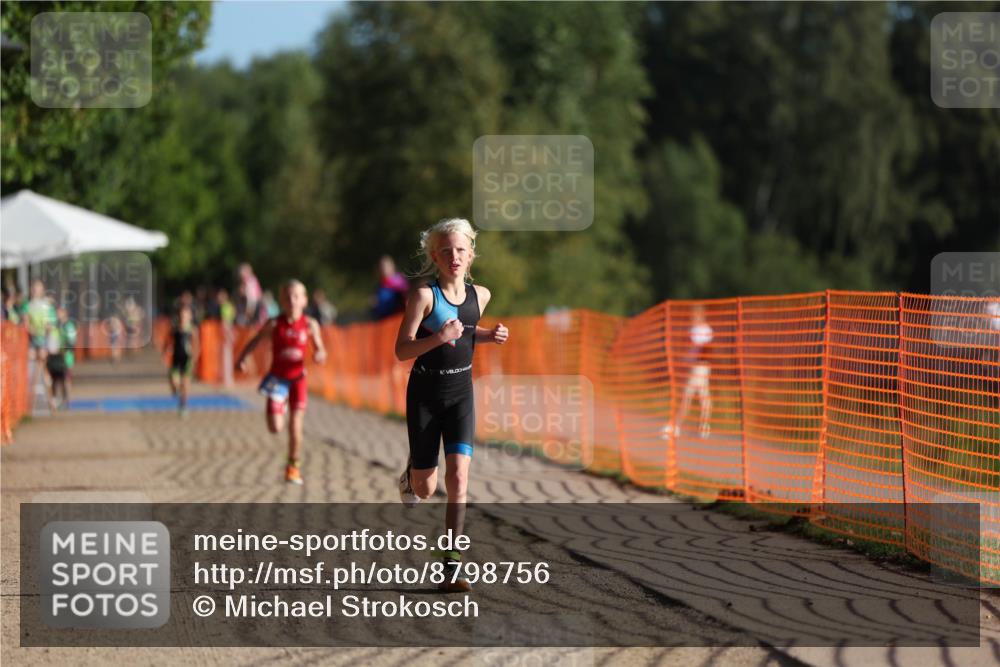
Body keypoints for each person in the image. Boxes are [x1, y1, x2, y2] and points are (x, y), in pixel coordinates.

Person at [393, 218, 508, 593]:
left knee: (458, 478)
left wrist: (491, 336)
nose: (454, 257)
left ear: (471, 254)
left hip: (461, 395)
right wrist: (439, 337)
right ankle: (411, 473)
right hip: (425, 396)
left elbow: (468, 335)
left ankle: (451, 565)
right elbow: (401, 349)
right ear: (434, 257)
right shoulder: (424, 297)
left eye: (460, 250)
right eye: (446, 251)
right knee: (424, 490)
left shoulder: (482, 296)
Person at [235, 280, 327, 485]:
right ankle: (279, 403)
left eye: (296, 296)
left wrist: (320, 353)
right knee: (275, 427)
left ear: (304, 300)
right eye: (287, 297)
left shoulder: (310, 324)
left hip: (297, 380)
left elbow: (320, 347)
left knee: (295, 427)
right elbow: (256, 340)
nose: (291, 301)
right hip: (277, 381)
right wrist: (242, 357)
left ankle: (293, 467)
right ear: (281, 301)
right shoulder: (275, 323)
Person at [663, 305, 714, 440]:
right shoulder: (693, 329)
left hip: (701, 367)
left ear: (701, 315)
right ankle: (703, 427)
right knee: (701, 397)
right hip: (694, 366)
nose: (692, 318)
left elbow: (702, 349)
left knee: (690, 395)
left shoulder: (705, 330)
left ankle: (677, 426)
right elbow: (691, 350)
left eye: (695, 315)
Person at [164, 304, 199, 417]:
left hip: (187, 359)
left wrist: (194, 358)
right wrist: (166, 350)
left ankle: (183, 406)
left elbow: (197, 345)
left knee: (185, 383)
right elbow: (168, 341)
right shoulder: (174, 329)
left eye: (185, 315)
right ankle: (178, 391)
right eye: (181, 315)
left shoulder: (192, 330)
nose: (183, 317)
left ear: (190, 316)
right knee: (173, 381)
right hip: (176, 358)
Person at [45, 307, 77, 411]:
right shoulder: (56, 326)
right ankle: (57, 400)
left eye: (60, 312)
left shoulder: (69, 326)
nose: (58, 315)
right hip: (55, 357)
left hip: (66, 357)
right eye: (57, 313)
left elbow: (72, 342)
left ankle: (66, 400)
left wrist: (64, 350)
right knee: (55, 380)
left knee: (66, 380)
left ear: (65, 313)